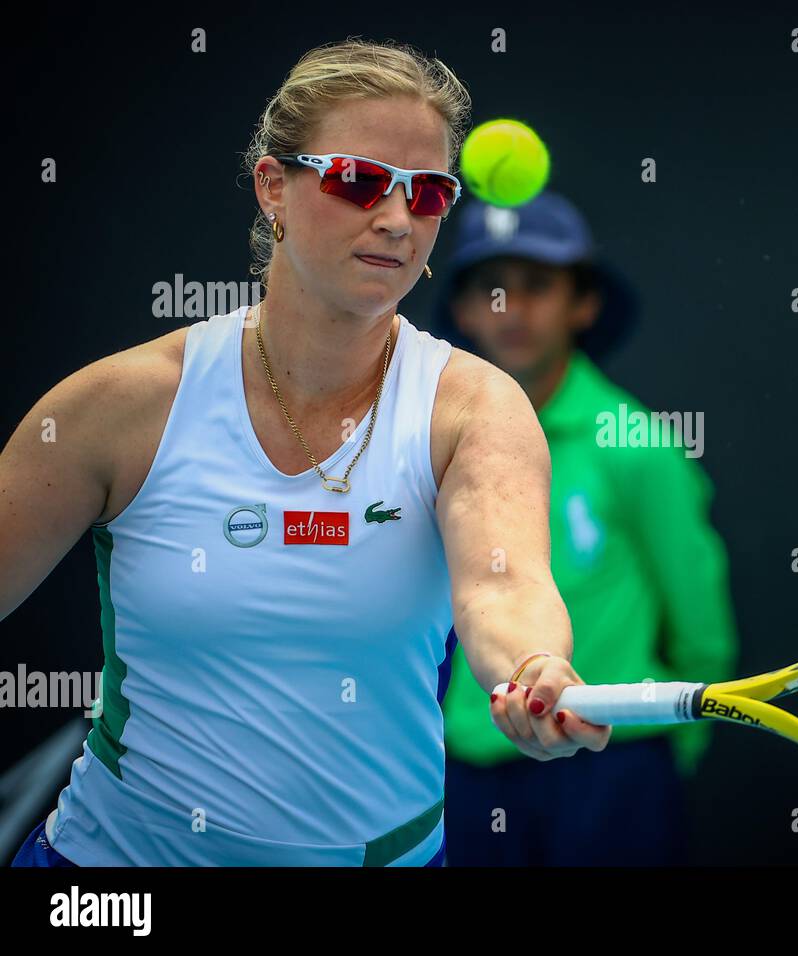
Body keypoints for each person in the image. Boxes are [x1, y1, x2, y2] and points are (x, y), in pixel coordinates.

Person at [0, 39, 608, 867]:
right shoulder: (119, 406)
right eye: (358, 180)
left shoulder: (474, 409)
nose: (396, 218)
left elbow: (506, 592)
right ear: (272, 187)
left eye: (427, 193)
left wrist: (535, 668)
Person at [434, 192, 739, 865]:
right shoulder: (435, 448)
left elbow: (700, 628)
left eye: (538, 285)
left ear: (583, 303)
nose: (512, 308)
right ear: (461, 311)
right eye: (491, 288)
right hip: (470, 776)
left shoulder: (637, 443)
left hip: (615, 773)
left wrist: (660, 742)